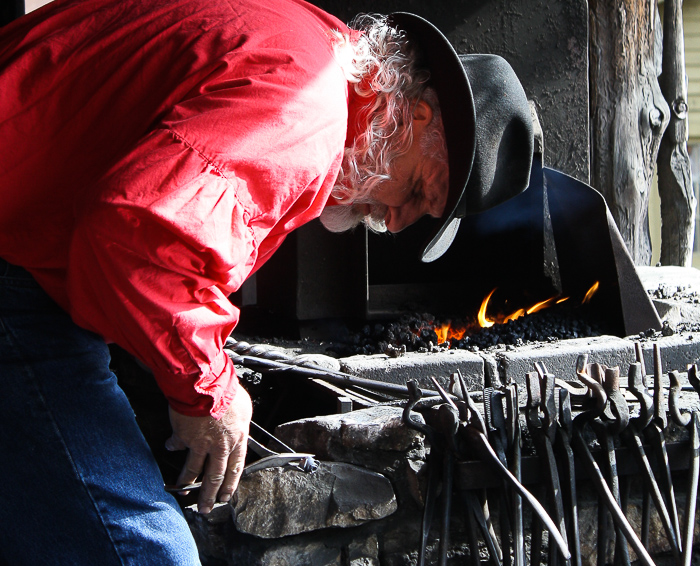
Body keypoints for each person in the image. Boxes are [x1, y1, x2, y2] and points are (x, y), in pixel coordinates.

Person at [0, 0, 533, 563]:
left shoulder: (309, 42)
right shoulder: (309, 109)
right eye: (424, 190)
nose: (397, 220)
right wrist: (210, 390)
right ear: (415, 116)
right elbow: (140, 236)